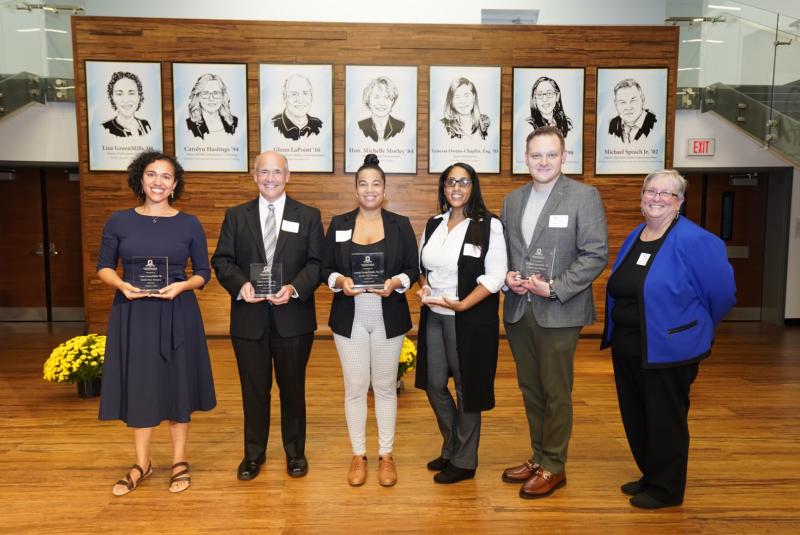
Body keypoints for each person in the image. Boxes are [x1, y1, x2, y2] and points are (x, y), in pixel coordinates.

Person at [601, 170, 735, 509]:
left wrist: (694, 326)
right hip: (631, 344)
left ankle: (667, 489)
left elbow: (722, 294)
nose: (657, 198)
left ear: (680, 202)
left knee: (665, 419)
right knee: (638, 415)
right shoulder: (638, 234)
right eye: (651, 191)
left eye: (667, 193)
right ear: (642, 197)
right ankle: (652, 474)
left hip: (670, 348)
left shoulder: (696, 240)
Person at [96, 150, 216, 496]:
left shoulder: (189, 223)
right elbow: (104, 266)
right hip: (134, 312)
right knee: (141, 385)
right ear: (140, 179)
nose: (158, 182)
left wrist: (183, 285)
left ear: (175, 184)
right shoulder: (118, 221)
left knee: (178, 383)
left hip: (178, 311)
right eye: (151, 174)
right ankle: (142, 463)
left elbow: (203, 272)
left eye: (166, 176)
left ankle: (179, 460)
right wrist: (120, 285)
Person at [501, 126, 608, 499]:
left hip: (559, 310)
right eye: (535, 155)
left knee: (556, 390)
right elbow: (511, 253)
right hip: (519, 308)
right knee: (531, 388)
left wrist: (557, 287)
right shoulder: (513, 200)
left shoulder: (583, 196)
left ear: (564, 157)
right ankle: (537, 455)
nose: (543, 161)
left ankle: (555, 465)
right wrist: (508, 277)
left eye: (551, 154)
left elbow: (595, 254)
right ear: (525, 159)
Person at [211, 150, 323, 481]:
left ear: (288, 176)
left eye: (277, 172)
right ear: (254, 176)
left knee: (293, 389)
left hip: (294, 319)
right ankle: (253, 455)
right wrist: (241, 285)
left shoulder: (309, 215)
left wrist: (293, 288)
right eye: (264, 172)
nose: (270, 178)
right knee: (253, 391)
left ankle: (295, 454)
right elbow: (222, 261)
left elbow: (317, 263)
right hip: (249, 319)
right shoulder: (236, 216)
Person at [322, 154, 419, 487]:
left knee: (385, 388)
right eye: (363, 183)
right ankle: (359, 454)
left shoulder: (400, 224)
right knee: (355, 388)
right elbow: (325, 268)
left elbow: (413, 269)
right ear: (355, 189)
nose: (369, 189)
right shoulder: (339, 224)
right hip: (349, 318)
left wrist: (394, 284)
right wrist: (340, 281)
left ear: (384, 189)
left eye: (375, 183)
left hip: (388, 316)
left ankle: (386, 455)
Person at [415, 162, 507, 484]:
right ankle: (453, 443)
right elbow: (422, 267)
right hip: (434, 317)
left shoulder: (488, 225)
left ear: (473, 187)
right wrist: (424, 287)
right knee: (433, 383)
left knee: (468, 389)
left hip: (469, 319)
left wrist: (464, 304)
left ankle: (465, 461)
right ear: (443, 187)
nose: (456, 187)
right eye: (450, 181)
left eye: (463, 181)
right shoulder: (433, 223)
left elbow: (495, 277)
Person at [186, 73, 238, 139]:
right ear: (198, 97)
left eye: (216, 93)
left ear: (223, 96)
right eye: (205, 93)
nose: (211, 98)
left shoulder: (234, 122)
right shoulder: (189, 124)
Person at [271, 74, 323, 140]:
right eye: (294, 94)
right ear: (285, 97)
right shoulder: (273, 125)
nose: (300, 100)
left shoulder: (319, 125)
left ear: (311, 97)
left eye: (305, 93)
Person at [102, 71, 151, 138]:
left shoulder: (146, 125)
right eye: (119, 94)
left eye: (131, 93)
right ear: (112, 98)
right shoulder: (105, 129)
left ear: (139, 97)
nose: (126, 100)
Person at [608, 78, 657, 143]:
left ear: (642, 100)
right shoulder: (610, 125)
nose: (628, 107)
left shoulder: (655, 124)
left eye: (633, 100)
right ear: (616, 104)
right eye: (622, 102)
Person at [357, 77, 405, 142]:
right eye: (376, 97)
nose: (381, 103)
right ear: (368, 100)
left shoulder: (401, 127)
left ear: (393, 101)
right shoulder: (360, 127)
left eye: (387, 97)